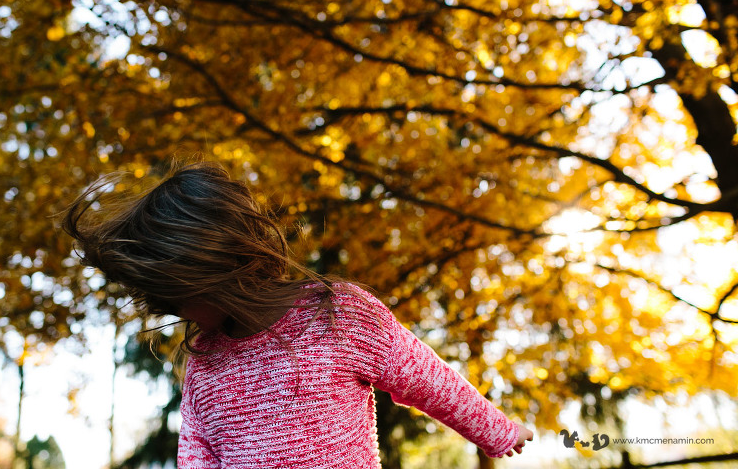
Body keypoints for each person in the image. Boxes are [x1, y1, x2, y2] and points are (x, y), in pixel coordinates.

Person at [61, 160, 534, 468]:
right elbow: (197, 451)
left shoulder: (339, 315)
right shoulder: (207, 362)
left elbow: (426, 377)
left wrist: (496, 428)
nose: (175, 313)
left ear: (214, 271)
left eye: (176, 297)